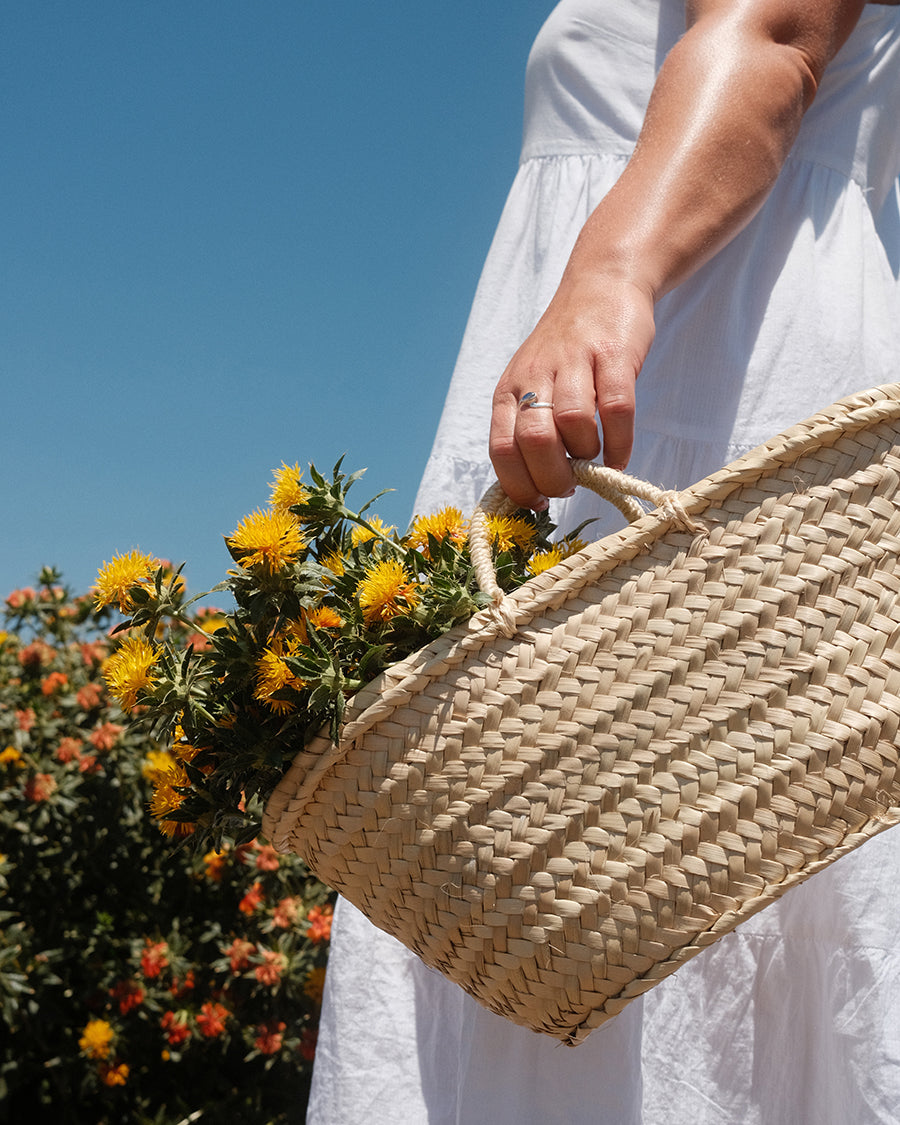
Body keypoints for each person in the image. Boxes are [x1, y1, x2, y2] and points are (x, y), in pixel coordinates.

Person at [307, 2, 900, 1122]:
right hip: (641, 371)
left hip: (689, 372)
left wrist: (609, 277)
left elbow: (773, 38)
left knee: (661, 845)